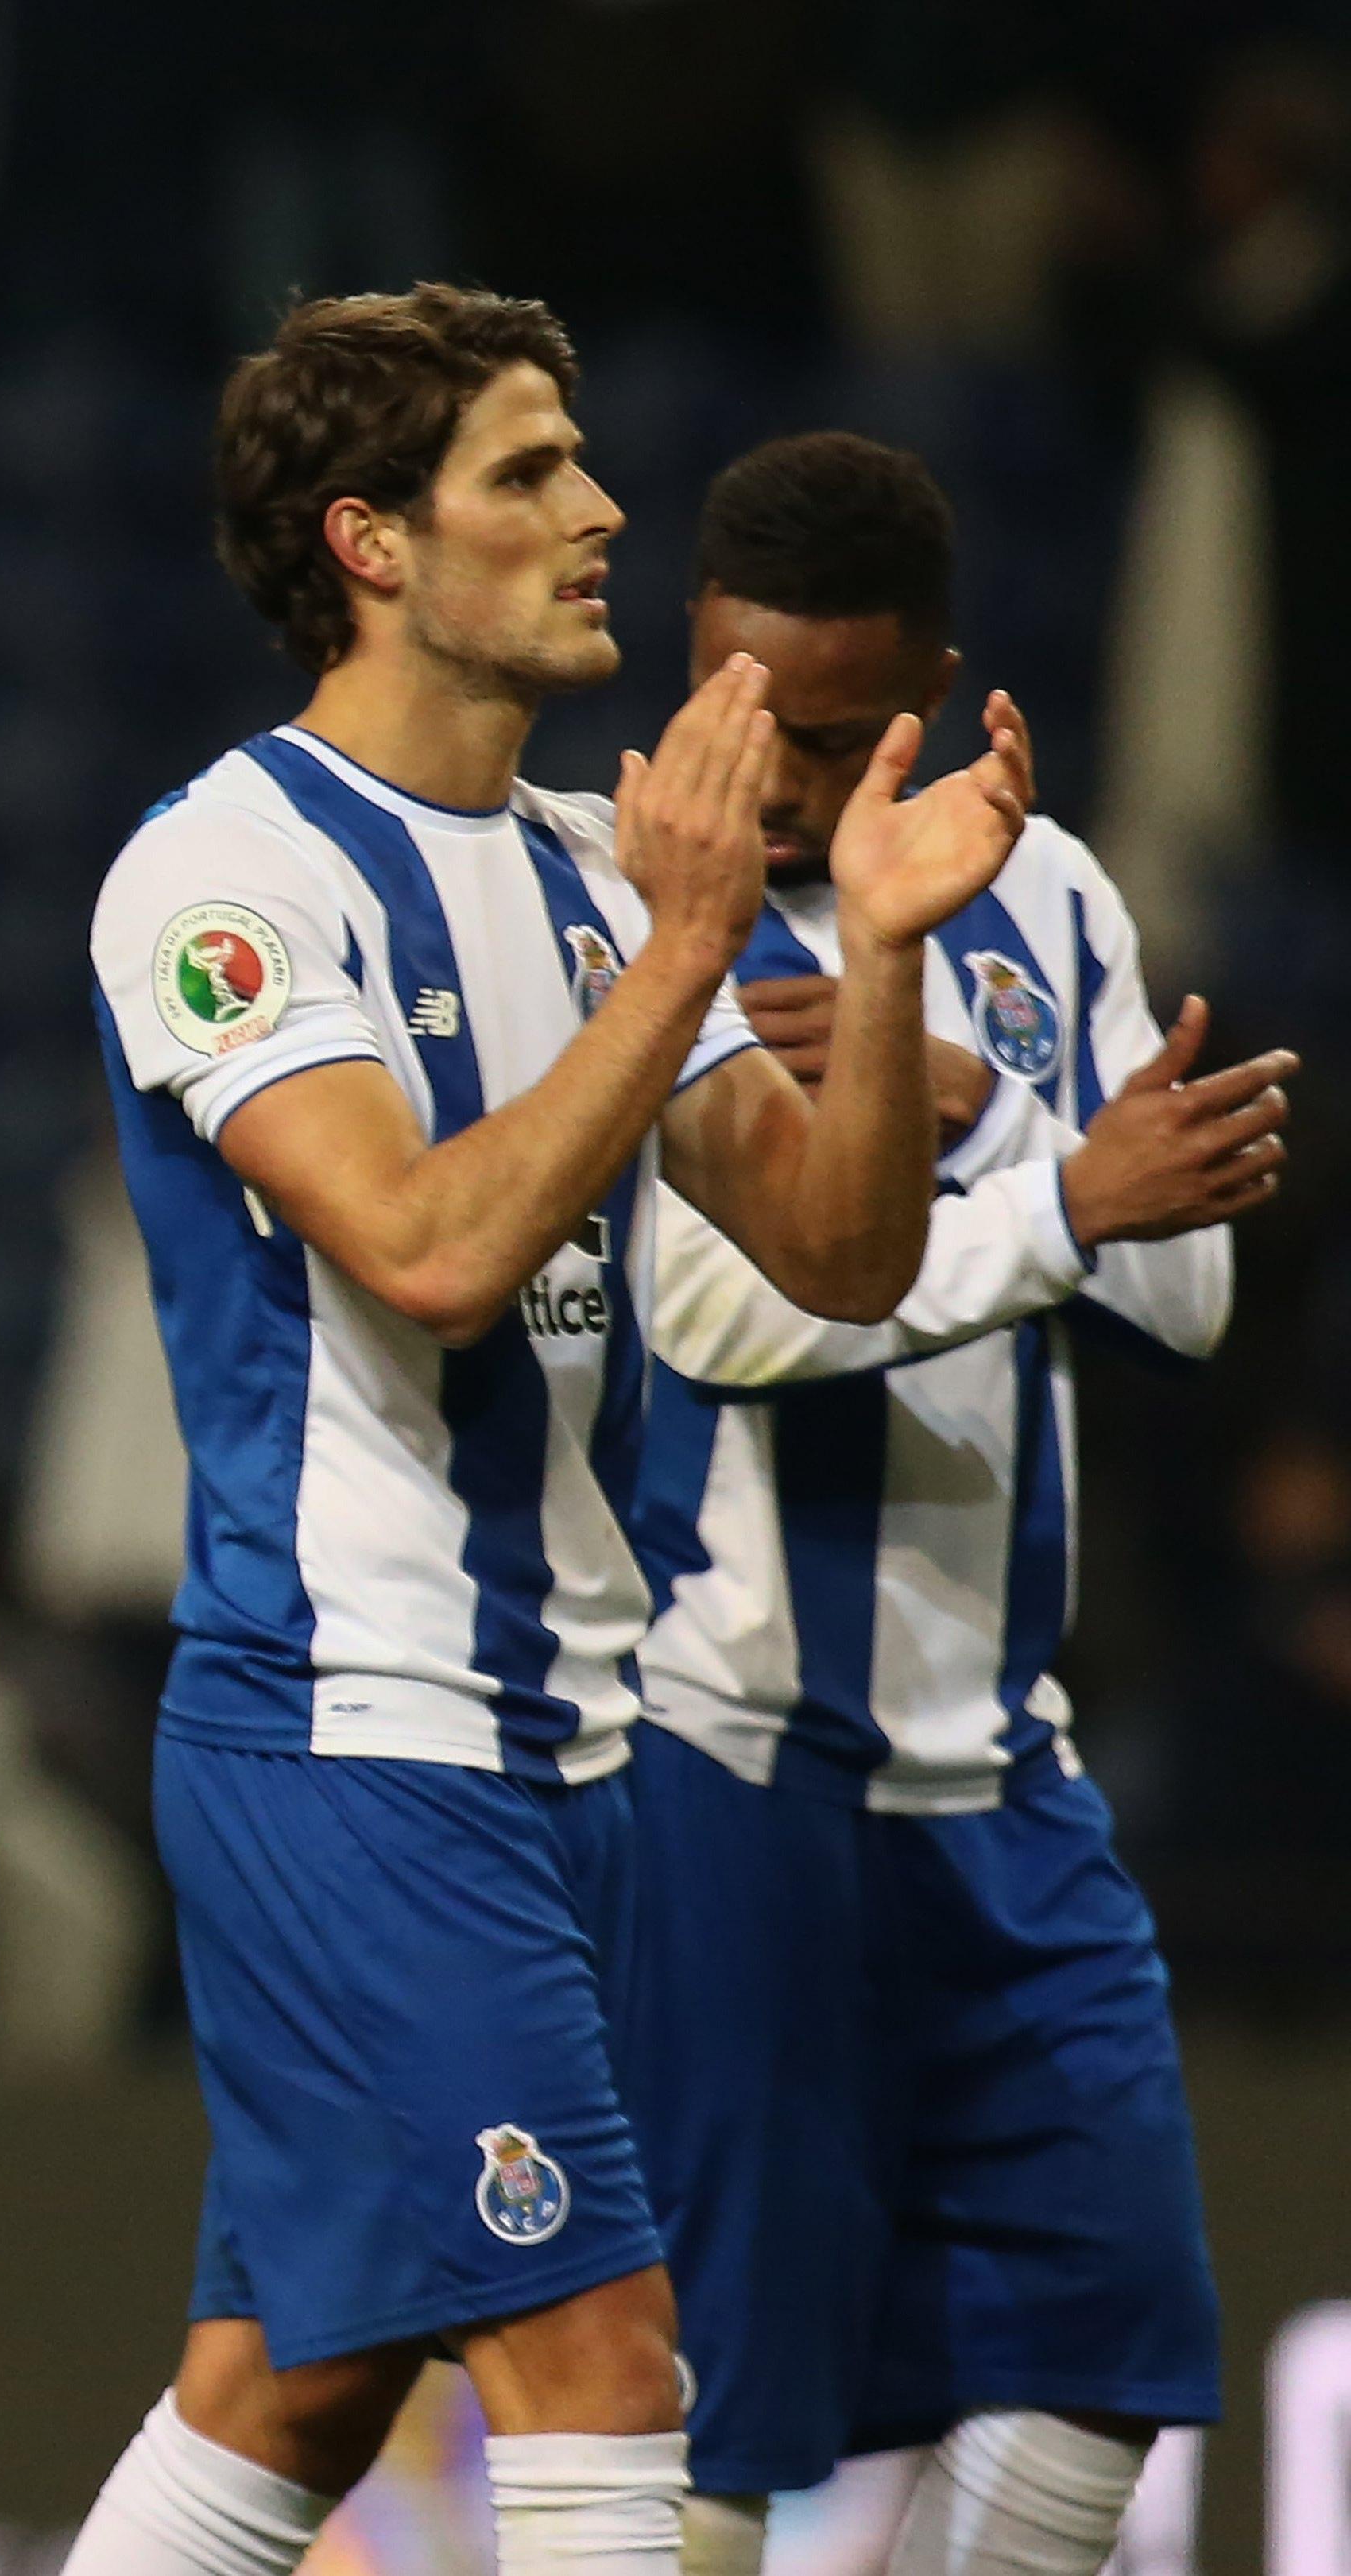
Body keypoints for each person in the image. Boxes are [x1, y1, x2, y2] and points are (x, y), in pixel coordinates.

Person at [66, 284, 1031, 2576]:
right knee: (606, 2368)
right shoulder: (225, 878)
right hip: (353, 1735)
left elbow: (839, 1246)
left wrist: (874, 957)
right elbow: (424, 1250)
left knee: (289, 2383)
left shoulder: (591, 875)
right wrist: (693, 950)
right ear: (372, 541)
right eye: (528, 471)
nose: (602, 509)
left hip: (568, 1749)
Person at [621, 434, 1296, 2576]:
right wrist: (1059, 1195)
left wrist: (1002, 1114)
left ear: (938, 674)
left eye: (833, 728)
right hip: (735, 1763)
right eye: (739, 706)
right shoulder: (631, 913)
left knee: (1113, 2361)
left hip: (1000, 1773)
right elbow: (734, 1319)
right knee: (707, 2418)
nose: (784, 775)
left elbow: (1180, 1289)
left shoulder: (1051, 890)